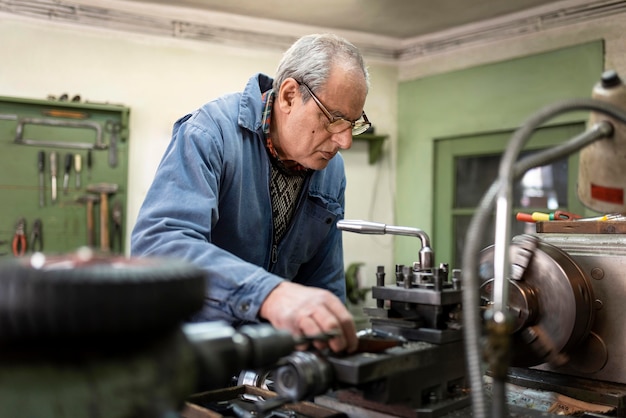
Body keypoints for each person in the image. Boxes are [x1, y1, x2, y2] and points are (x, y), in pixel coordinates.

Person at [130, 33, 371, 353]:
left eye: (353, 124)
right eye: (334, 120)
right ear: (288, 97)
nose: (345, 142)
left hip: (268, 365)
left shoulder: (332, 171)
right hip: (189, 357)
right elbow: (158, 246)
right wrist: (269, 294)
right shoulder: (209, 133)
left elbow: (324, 281)